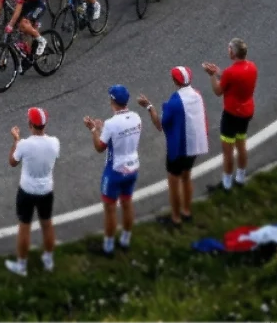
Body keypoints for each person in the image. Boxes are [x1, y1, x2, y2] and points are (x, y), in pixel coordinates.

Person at [139, 67, 209, 226]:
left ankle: (176, 218)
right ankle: (187, 211)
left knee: (174, 182)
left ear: (175, 81)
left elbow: (159, 125)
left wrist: (149, 107)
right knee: (186, 177)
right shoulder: (197, 95)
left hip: (178, 149)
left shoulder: (174, 103)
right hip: (194, 146)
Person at [84, 86, 142, 256]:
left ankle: (108, 247)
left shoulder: (111, 124)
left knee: (110, 210)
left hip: (115, 171)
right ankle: (125, 240)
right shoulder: (136, 117)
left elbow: (100, 147)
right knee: (127, 203)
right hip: (132, 167)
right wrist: (104, 130)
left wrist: (94, 130)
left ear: (112, 101)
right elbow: (121, 138)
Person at [5, 107, 59, 276]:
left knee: (24, 227)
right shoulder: (54, 143)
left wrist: (15, 141)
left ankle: (21, 266)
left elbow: (12, 162)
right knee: (47, 224)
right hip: (46, 190)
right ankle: (49, 260)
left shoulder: (24, 145)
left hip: (27, 190)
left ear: (30, 124)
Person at [203, 38, 256, 189]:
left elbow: (218, 91)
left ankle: (226, 184)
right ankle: (240, 178)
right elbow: (234, 80)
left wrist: (212, 75)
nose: (228, 51)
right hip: (246, 112)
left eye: (229, 49)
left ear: (233, 52)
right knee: (241, 145)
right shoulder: (251, 66)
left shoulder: (230, 72)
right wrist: (220, 73)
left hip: (232, 114)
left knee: (228, 150)